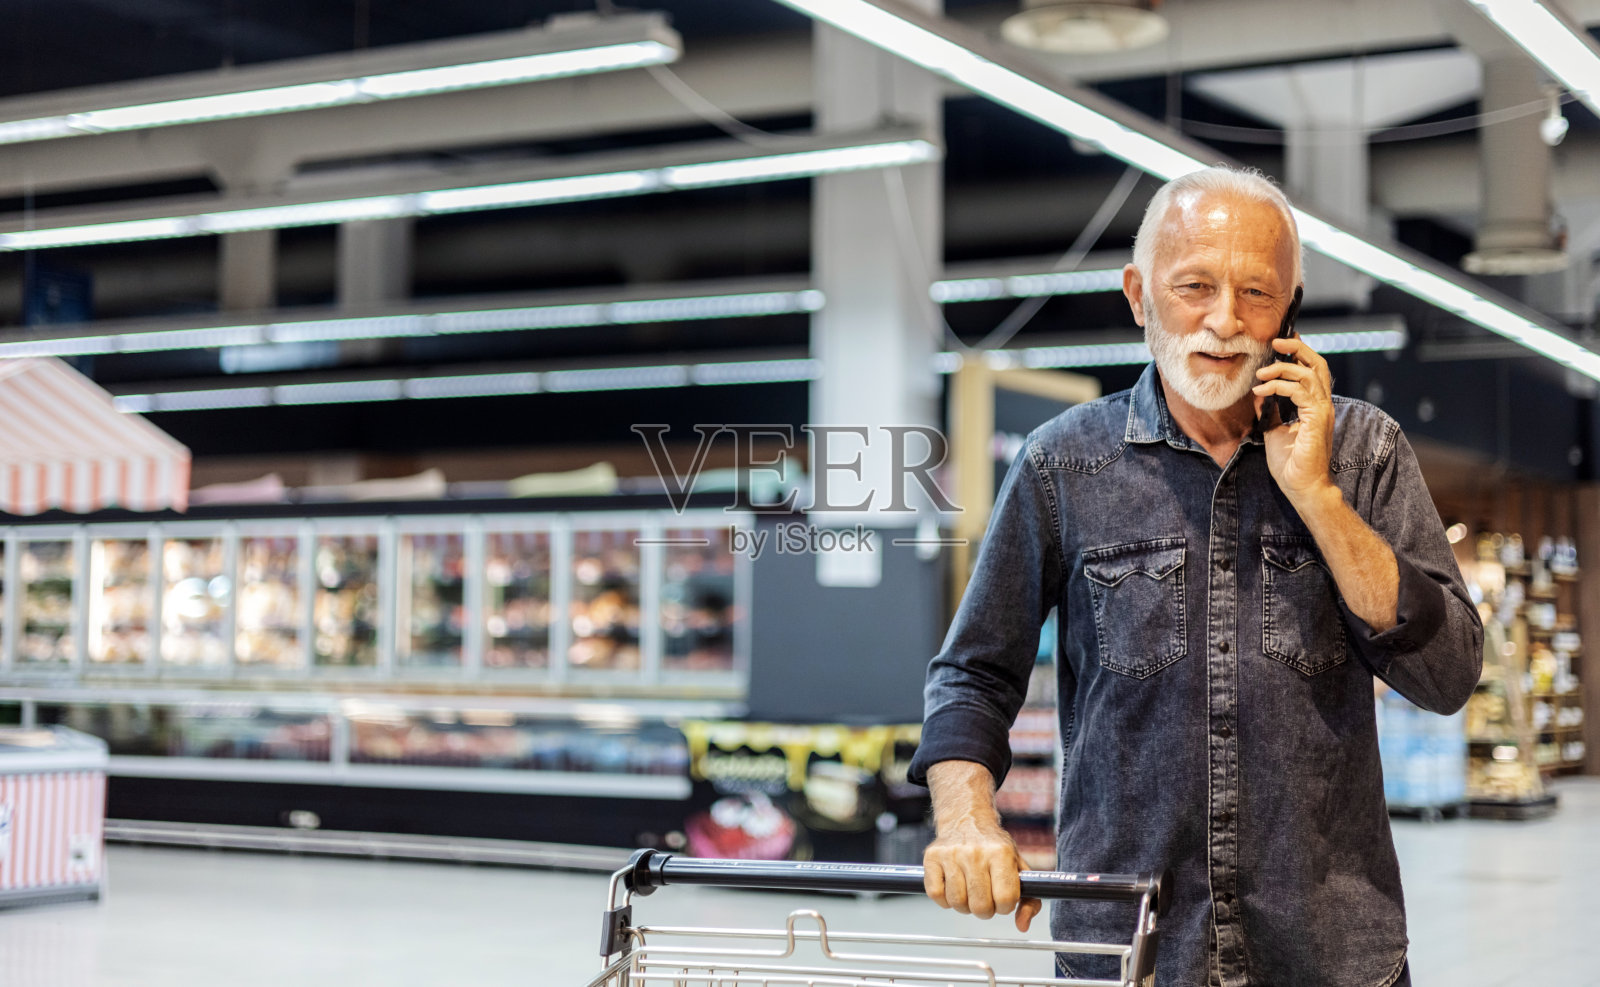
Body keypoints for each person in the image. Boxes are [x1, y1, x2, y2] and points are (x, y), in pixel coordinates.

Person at [907, 166, 1483, 987]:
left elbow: (1448, 673)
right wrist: (965, 819)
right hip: (1129, 948)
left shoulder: (1366, 452)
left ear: (1292, 306)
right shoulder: (1064, 464)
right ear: (1140, 295)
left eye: (1257, 291)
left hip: (1330, 953)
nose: (1225, 320)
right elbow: (971, 673)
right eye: (1195, 286)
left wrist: (1317, 497)